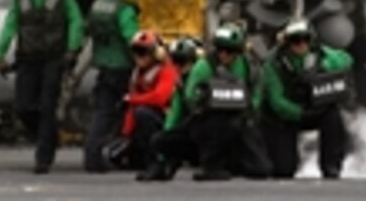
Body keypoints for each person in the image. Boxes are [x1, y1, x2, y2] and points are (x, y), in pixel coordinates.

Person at [139, 24, 270, 181]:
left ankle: (231, 163)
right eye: (221, 49)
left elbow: (257, 92)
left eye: (230, 51)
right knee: (160, 140)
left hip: (239, 124)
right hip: (206, 123)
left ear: (239, 51)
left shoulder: (250, 67)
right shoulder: (204, 67)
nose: (225, 54)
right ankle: (209, 166)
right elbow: (189, 97)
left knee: (261, 170)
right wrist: (205, 100)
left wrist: (250, 110)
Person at [0, 0, 85, 174]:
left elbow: (75, 20)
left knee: (47, 107)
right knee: (24, 107)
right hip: (27, 59)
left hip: (53, 58)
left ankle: (43, 157)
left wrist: (73, 48)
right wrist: (0, 54)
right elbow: (11, 24)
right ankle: (49, 136)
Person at [261, 19, 353, 179]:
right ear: (287, 43)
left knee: (333, 115)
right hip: (284, 117)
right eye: (295, 40)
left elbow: (347, 60)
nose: (301, 44)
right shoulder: (273, 64)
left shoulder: (321, 55)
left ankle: (331, 165)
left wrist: (323, 69)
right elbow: (277, 101)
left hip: (316, 108)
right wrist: (300, 113)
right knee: (283, 170)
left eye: (305, 39)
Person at [82, 0, 139, 172]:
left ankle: (92, 156)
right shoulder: (124, 8)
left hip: (103, 65)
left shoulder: (98, 4)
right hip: (122, 66)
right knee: (127, 112)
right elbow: (132, 38)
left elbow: (87, 29)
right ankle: (125, 154)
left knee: (102, 114)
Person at [136, 37, 202, 181]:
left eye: (183, 62)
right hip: (190, 131)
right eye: (175, 62)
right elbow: (174, 115)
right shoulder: (179, 84)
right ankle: (161, 165)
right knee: (157, 135)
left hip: (208, 131)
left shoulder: (204, 77)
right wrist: (163, 145)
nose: (178, 67)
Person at [116, 30, 177, 170]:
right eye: (136, 51)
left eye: (143, 51)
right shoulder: (136, 73)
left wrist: (133, 99)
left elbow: (160, 98)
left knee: (142, 113)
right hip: (146, 116)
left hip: (169, 120)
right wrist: (126, 136)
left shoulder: (166, 71)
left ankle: (155, 156)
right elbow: (131, 106)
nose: (138, 56)